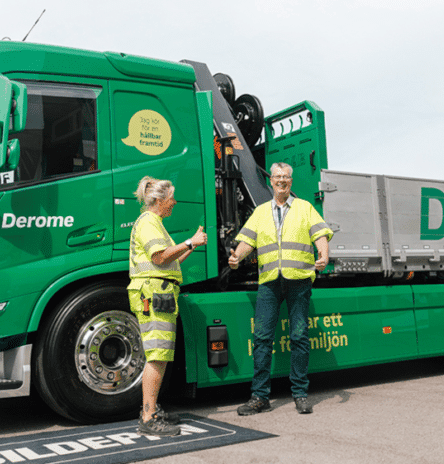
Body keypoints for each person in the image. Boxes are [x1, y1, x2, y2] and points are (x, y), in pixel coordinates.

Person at [229, 162, 332, 415]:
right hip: (270, 282)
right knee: (262, 338)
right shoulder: (261, 211)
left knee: (299, 337)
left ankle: (300, 393)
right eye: (277, 177)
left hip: (299, 279)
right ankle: (260, 397)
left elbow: (320, 233)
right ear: (271, 181)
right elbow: (247, 240)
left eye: (286, 177)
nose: (282, 181)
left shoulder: (304, 207)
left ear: (291, 181)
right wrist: (237, 258)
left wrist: (324, 254)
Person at [128, 176, 207, 437]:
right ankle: (149, 418)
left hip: (158, 292)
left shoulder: (154, 224)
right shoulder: (150, 223)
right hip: (154, 294)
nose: (174, 202)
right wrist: (190, 241)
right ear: (160, 200)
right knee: (157, 356)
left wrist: (191, 246)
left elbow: (169, 262)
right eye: (171, 197)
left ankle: (151, 411)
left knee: (159, 355)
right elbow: (159, 256)